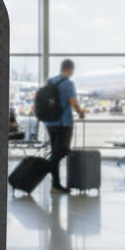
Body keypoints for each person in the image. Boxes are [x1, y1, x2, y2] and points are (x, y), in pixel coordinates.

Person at [43, 58, 86, 195]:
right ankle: (44, 167)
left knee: (56, 152)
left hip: (50, 122)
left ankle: (55, 185)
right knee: (61, 151)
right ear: (70, 70)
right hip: (63, 123)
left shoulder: (51, 81)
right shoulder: (68, 83)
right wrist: (80, 112)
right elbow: (73, 101)